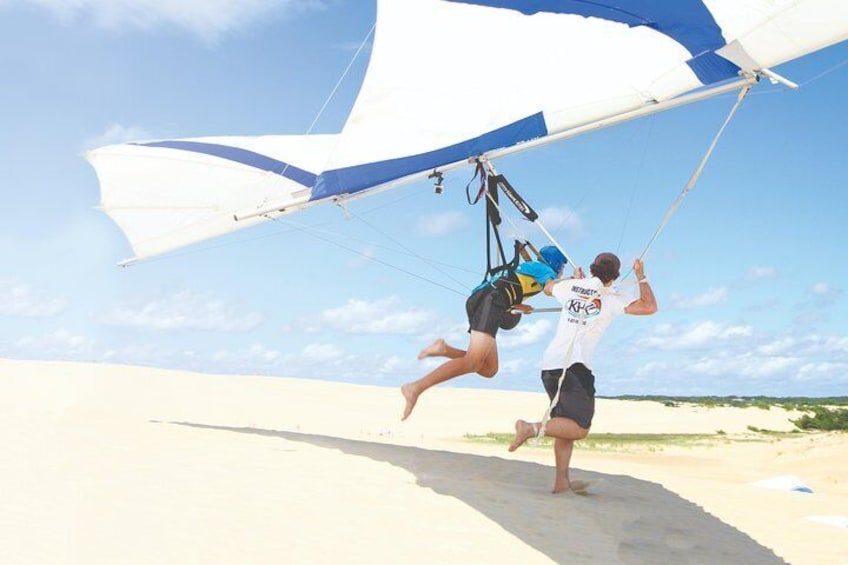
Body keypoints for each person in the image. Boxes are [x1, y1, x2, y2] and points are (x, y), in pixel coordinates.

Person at [508, 253, 657, 494]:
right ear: (615, 277)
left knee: (564, 426)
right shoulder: (612, 298)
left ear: (592, 269)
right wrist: (641, 275)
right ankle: (530, 428)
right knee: (580, 427)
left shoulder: (571, 287)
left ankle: (561, 482)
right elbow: (649, 307)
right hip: (575, 367)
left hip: (551, 365)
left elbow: (547, 288)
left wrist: (573, 280)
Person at [401, 246, 568, 421]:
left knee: (489, 369)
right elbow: (551, 289)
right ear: (555, 264)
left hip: (486, 301)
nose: (561, 272)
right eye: (562, 268)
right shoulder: (544, 270)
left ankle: (445, 349)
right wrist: (575, 284)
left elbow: (515, 285)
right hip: (491, 301)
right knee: (473, 362)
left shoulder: (533, 268)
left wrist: (519, 305)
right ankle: (416, 387)